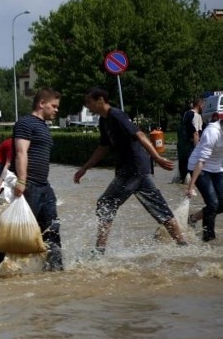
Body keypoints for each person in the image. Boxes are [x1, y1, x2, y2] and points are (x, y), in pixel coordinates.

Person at [74, 87, 187, 254]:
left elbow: (140, 135)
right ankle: (183, 244)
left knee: (106, 203)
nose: (87, 106)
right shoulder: (104, 121)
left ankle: (99, 250)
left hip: (133, 170)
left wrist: (157, 158)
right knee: (158, 207)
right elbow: (103, 147)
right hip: (131, 170)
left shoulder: (116, 115)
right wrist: (84, 168)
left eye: (89, 102)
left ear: (100, 100)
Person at [0, 89, 64, 276]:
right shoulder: (25, 123)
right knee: (15, 233)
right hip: (30, 185)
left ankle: (56, 272)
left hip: (44, 187)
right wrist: (22, 181)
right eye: (54, 106)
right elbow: (20, 152)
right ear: (41, 103)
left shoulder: (43, 126)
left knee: (52, 230)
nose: (56, 110)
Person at [185, 112, 223, 241]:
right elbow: (201, 161)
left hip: (217, 168)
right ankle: (208, 239)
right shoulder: (213, 132)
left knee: (221, 204)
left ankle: (192, 219)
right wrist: (190, 187)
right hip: (199, 166)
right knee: (213, 203)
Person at [176, 97, 205, 183]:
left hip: (181, 147)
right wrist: (197, 149)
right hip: (190, 146)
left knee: (183, 173)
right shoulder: (196, 116)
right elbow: (195, 133)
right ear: (199, 105)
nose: (203, 107)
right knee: (192, 174)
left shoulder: (186, 114)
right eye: (203, 105)